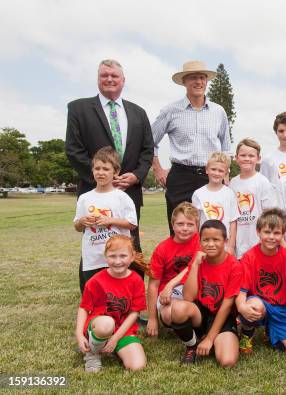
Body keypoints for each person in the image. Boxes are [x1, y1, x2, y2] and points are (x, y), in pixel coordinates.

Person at [66, 59, 154, 275]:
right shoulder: (79, 108)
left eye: (114, 76)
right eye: (104, 75)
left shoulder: (138, 112)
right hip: (93, 190)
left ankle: (131, 302)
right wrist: (104, 178)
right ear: (98, 79)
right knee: (96, 245)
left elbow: (147, 150)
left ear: (123, 80)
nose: (109, 79)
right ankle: (93, 300)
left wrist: (136, 175)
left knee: (129, 245)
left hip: (129, 190)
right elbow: (74, 150)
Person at [151, 60, 231, 233]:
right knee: (181, 231)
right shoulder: (170, 111)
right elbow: (149, 141)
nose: (199, 82)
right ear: (185, 82)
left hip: (210, 177)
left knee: (211, 230)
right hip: (181, 178)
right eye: (193, 78)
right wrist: (158, 169)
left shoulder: (219, 112)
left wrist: (225, 173)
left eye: (202, 78)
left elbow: (225, 146)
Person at [170, 220, 242, 367]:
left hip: (222, 316)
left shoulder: (234, 266)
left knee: (227, 361)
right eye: (206, 240)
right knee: (178, 308)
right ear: (200, 241)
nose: (210, 244)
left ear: (225, 241)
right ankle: (192, 345)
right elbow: (188, 298)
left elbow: (227, 306)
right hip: (201, 313)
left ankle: (214, 339)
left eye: (216, 240)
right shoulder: (197, 260)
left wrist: (210, 338)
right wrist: (195, 265)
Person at [236, 208, 286, 357]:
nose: (271, 237)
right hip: (258, 303)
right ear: (258, 231)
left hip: (280, 308)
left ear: (283, 234)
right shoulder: (249, 257)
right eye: (267, 232)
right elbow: (241, 291)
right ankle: (246, 335)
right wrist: (241, 307)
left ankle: (271, 331)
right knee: (254, 306)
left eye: (276, 233)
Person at [75, 235, 147, 373]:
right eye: (112, 256)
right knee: (107, 324)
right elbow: (84, 308)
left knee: (137, 366)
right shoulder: (96, 281)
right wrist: (79, 334)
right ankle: (93, 353)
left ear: (132, 257)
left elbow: (134, 313)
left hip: (123, 330)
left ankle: (107, 346)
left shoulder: (136, 280)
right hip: (100, 325)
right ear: (106, 257)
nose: (118, 261)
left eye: (123, 256)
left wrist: (115, 338)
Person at [73, 147, 138, 292]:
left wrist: (110, 221)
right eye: (97, 168)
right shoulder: (84, 198)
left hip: (116, 257)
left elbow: (132, 224)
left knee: (116, 293)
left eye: (106, 169)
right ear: (92, 170)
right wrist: (82, 221)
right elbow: (77, 226)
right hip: (93, 256)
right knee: (93, 293)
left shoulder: (122, 197)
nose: (100, 173)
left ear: (115, 172)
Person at [146, 202, 201, 337]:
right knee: (168, 315)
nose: (185, 228)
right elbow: (153, 285)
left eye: (190, 224)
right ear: (172, 224)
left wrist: (171, 284)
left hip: (194, 287)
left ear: (197, 226)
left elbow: (193, 266)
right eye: (180, 224)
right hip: (169, 294)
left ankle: (198, 326)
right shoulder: (162, 249)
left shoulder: (200, 241)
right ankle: (185, 324)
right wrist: (152, 318)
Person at [229, 139, 278, 259]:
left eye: (251, 156)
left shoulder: (262, 182)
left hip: (259, 243)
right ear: (236, 157)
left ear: (258, 158)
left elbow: (270, 214)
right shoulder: (233, 183)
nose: (247, 158)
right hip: (239, 244)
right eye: (243, 155)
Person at [191, 152, 238, 255]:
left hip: (224, 244)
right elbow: (196, 223)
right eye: (213, 169)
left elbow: (233, 221)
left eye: (221, 171)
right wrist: (197, 245)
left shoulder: (230, 193)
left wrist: (231, 245)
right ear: (207, 169)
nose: (216, 173)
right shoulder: (198, 194)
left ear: (226, 173)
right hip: (206, 244)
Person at [260, 111, 286, 189]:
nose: (285, 135)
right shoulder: (267, 159)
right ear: (276, 132)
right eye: (281, 131)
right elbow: (263, 187)